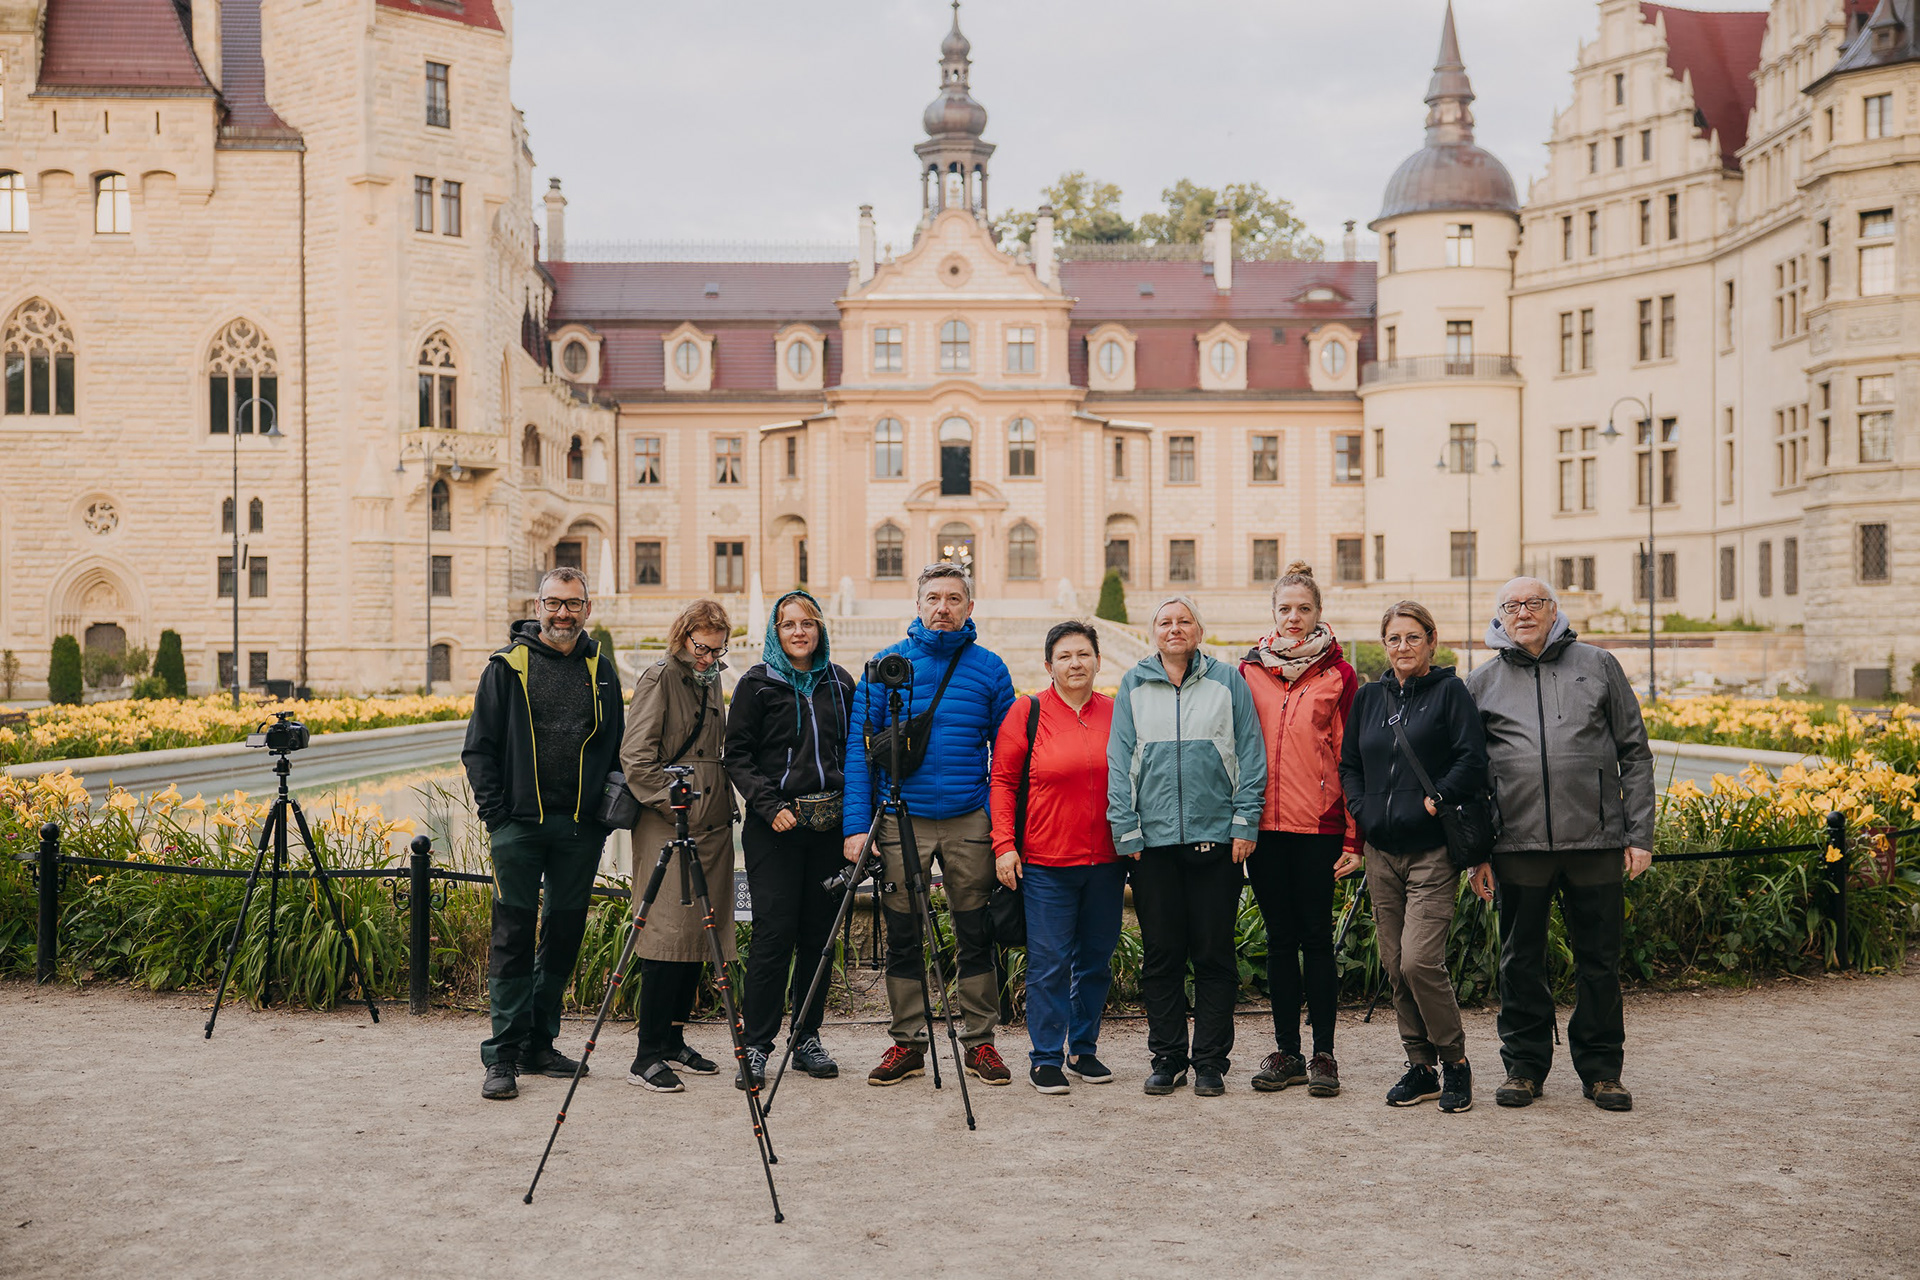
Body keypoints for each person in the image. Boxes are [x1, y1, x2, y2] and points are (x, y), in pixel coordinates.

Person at [1466, 578, 1654, 1113]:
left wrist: (1638, 834)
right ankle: (1523, 1067)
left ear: (1554, 610)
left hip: (1595, 841)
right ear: (1500, 616)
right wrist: (1478, 851)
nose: (1523, 612)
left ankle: (1602, 1071)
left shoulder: (1598, 665)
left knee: (1599, 960)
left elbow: (1635, 754)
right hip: (1517, 845)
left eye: (1534, 603)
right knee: (1519, 960)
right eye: (1512, 605)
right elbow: (1472, 775)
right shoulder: (1482, 682)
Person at [842, 562, 1016, 1087]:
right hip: (900, 820)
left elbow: (1007, 757)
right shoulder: (884, 666)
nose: (943, 608)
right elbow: (859, 751)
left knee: (975, 931)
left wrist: (1000, 823)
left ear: (969, 606)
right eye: (933, 598)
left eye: (954, 599)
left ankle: (981, 1043)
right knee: (901, 933)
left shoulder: (989, 668)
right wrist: (857, 826)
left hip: (968, 819)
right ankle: (907, 1041)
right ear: (917, 606)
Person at [463, 567, 626, 1102]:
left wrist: (602, 815)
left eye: (573, 604)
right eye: (554, 603)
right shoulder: (507, 667)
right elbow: (478, 748)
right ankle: (503, 1054)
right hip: (520, 825)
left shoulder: (601, 669)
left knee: (562, 936)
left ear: (587, 608)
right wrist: (497, 816)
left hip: (580, 827)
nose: (562, 614)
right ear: (537, 606)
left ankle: (540, 1042)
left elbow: (617, 745)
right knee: (512, 936)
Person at [1108, 595, 1266, 1097]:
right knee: (1162, 955)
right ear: (1153, 632)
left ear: (1198, 630)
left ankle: (1211, 1062)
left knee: (1214, 953)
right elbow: (1120, 759)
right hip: (1151, 845)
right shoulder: (1133, 683)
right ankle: (1168, 1056)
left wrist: (1245, 821)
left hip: (1215, 837)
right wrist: (1126, 828)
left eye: (1184, 621)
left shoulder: (1227, 680)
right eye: (1165, 622)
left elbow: (1250, 752)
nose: (1174, 629)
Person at [1339, 600, 1490, 1113]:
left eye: (1411, 638)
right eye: (1393, 639)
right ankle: (1420, 1066)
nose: (1402, 647)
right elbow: (1351, 762)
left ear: (1430, 640)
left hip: (1431, 852)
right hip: (1382, 851)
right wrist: (1359, 808)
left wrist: (1439, 797)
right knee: (1393, 965)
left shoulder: (1450, 693)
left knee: (1419, 960)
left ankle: (1456, 1063)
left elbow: (1473, 758)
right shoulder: (1368, 698)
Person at [724, 590, 856, 1089]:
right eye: (788, 624)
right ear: (775, 633)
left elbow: (853, 755)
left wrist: (855, 821)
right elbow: (736, 754)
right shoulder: (756, 685)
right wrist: (768, 805)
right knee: (773, 936)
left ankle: (806, 1038)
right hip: (776, 829)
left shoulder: (840, 683)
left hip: (828, 830)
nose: (799, 632)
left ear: (820, 629)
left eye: (808, 623)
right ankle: (756, 1044)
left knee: (818, 938)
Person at [1239, 561, 1359, 1098]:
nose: (1294, 617)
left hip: (1318, 826)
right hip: (1263, 826)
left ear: (1318, 614)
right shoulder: (1249, 670)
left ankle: (1324, 1055)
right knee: (1280, 939)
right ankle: (1287, 1049)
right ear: (1273, 612)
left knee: (1316, 939)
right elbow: (1235, 751)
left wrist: (1355, 837)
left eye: (1303, 609)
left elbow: (1352, 758)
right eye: (1285, 608)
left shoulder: (1338, 674)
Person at [989, 621, 1121, 1094]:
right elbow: (1002, 781)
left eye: (1084, 654)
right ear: (1049, 665)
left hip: (1106, 861)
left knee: (1096, 961)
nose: (1075, 663)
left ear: (1098, 661)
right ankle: (1045, 1057)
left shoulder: (1116, 711)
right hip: (1046, 861)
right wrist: (1004, 845)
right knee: (1048, 963)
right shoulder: (1028, 711)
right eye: (1065, 656)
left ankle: (1082, 1050)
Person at [620, 599, 738, 1093]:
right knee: (666, 936)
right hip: (671, 825)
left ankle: (673, 1041)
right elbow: (636, 757)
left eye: (718, 649)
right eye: (703, 648)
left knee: (697, 936)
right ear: (683, 636)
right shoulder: (659, 678)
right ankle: (646, 1054)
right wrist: (677, 806)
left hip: (709, 827)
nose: (711, 657)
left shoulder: (708, 680)